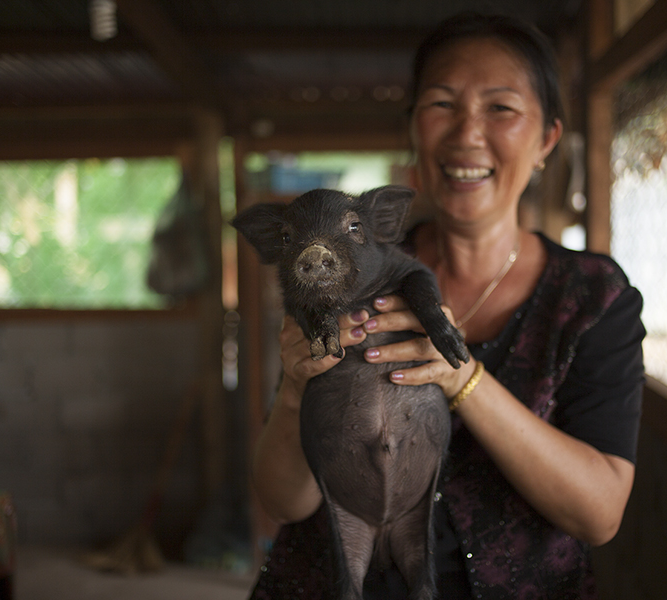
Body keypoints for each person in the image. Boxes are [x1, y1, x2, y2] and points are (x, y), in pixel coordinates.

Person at [248, 12, 645, 600]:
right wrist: (295, 390)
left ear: (545, 141)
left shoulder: (590, 296)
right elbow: (284, 499)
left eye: (501, 108)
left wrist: (465, 378)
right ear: (413, 128)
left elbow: (599, 514)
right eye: (441, 104)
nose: (467, 134)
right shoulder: (347, 274)